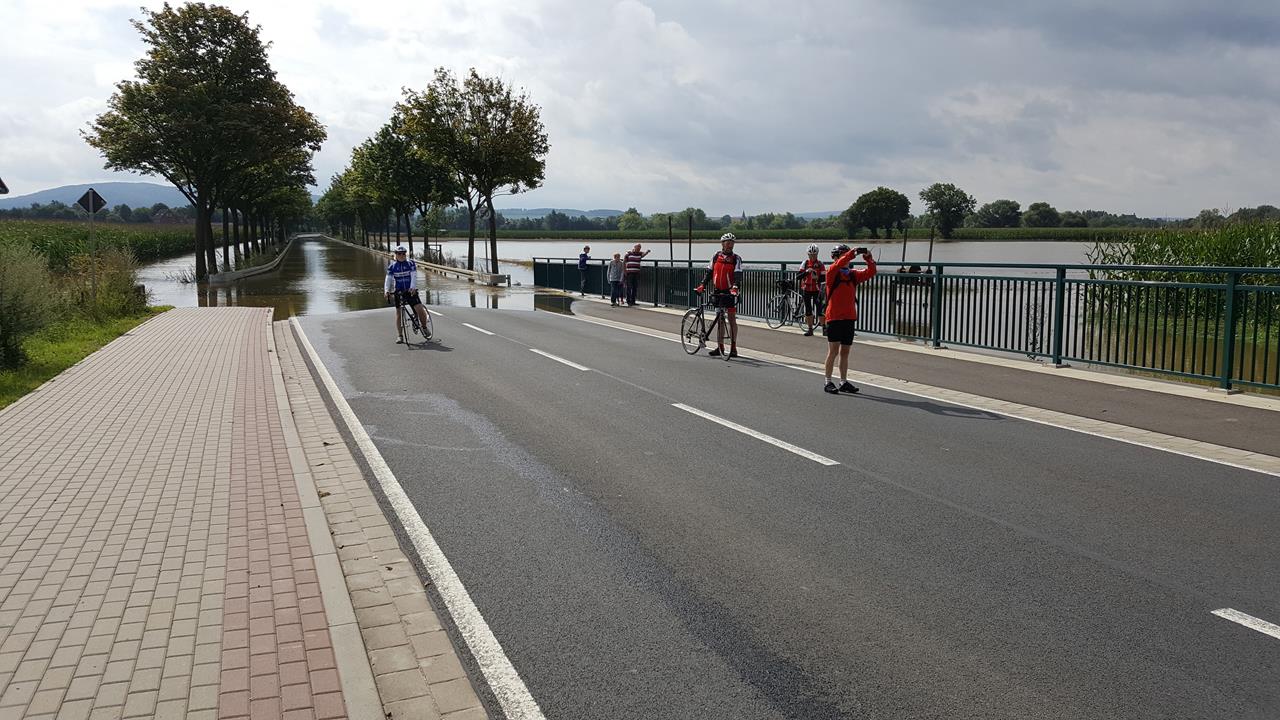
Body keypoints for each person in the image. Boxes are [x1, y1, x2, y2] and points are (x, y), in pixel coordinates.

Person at [822, 244, 876, 393]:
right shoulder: (831, 272)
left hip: (849, 317)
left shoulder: (852, 274)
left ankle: (843, 382)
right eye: (843, 255)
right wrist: (852, 253)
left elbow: (871, 272)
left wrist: (868, 258)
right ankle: (828, 382)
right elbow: (839, 264)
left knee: (845, 352)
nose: (847, 259)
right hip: (834, 317)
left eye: (847, 255)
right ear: (835, 257)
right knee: (833, 351)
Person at [694, 233, 743, 358]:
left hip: (730, 292)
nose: (730, 245)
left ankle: (733, 347)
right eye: (727, 243)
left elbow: (738, 274)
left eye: (732, 243)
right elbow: (709, 272)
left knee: (732, 319)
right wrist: (702, 284)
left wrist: (735, 286)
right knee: (720, 319)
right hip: (717, 291)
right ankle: (720, 347)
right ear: (722, 244)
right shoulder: (716, 256)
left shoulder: (736, 258)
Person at [384, 245, 431, 343]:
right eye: (399, 254)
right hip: (399, 291)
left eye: (403, 254)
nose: (401, 255)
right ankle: (400, 336)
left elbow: (414, 276)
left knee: (420, 310)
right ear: (395, 255)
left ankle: (424, 327)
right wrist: (386, 290)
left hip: (410, 291)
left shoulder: (410, 263)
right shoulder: (392, 266)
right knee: (398, 314)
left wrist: (412, 287)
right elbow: (388, 279)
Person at [797, 243, 826, 336]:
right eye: (811, 255)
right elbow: (798, 276)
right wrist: (806, 272)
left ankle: (824, 328)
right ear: (808, 254)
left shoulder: (820, 264)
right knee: (808, 310)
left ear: (817, 254)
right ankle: (810, 329)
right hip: (806, 289)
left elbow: (824, 278)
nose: (812, 256)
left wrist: (817, 278)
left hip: (817, 290)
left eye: (814, 255)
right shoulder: (805, 263)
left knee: (820, 310)